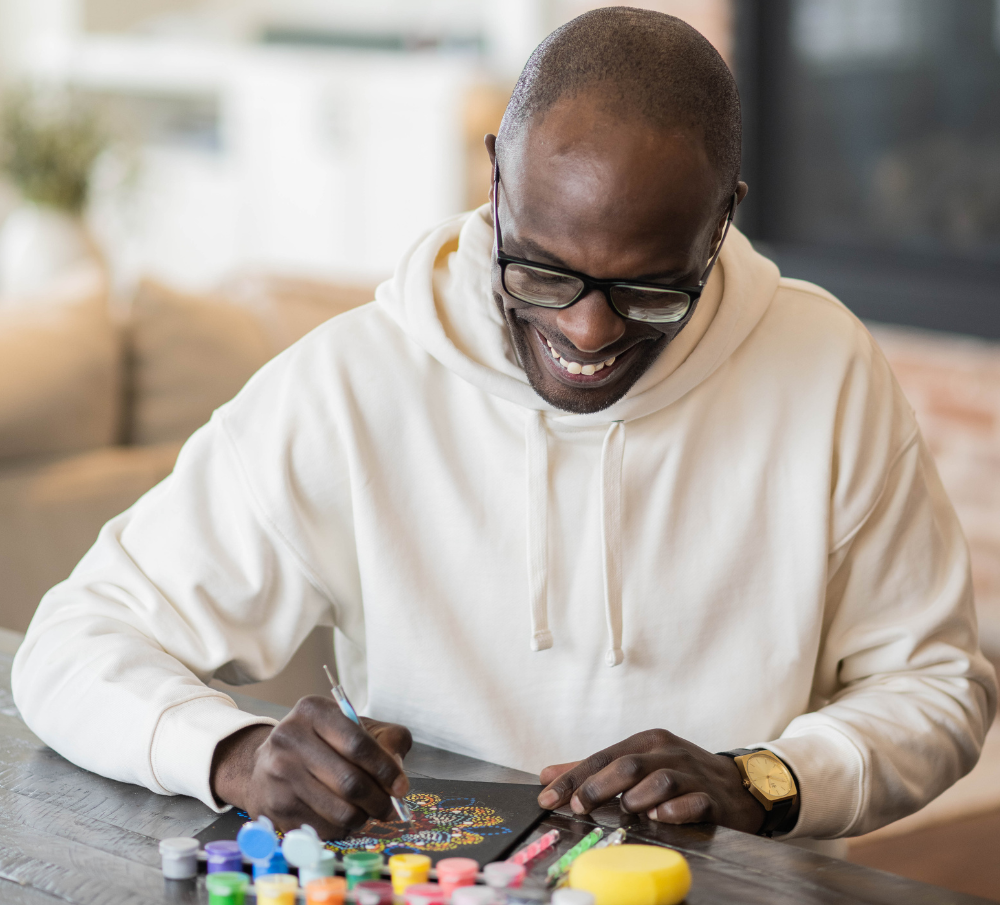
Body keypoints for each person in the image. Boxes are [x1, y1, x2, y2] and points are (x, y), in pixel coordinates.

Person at [12, 8, 995, 846]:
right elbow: (71, 645)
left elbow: (939, 684)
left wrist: (767, 778)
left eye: (651, 290)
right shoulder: (355, 381)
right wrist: (227, 755)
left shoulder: (823, 368)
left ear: (722, 219)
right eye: (541, 271)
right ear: (495, 179)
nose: (586, 329)